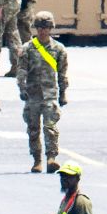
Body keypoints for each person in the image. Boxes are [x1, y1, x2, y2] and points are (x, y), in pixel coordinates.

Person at [15, 10, 70, 173]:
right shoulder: (27, 48)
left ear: (51, 28)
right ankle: (37, 160)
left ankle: (51, 157)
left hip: (49, 95)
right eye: (39, 27)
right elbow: (21, 70)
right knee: (33, 129)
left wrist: (63, 94)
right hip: (32, 95)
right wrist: (22, 88)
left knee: (50, 128)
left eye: (45, 27)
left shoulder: (59, 49)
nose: (42, 31)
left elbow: (62, 73)